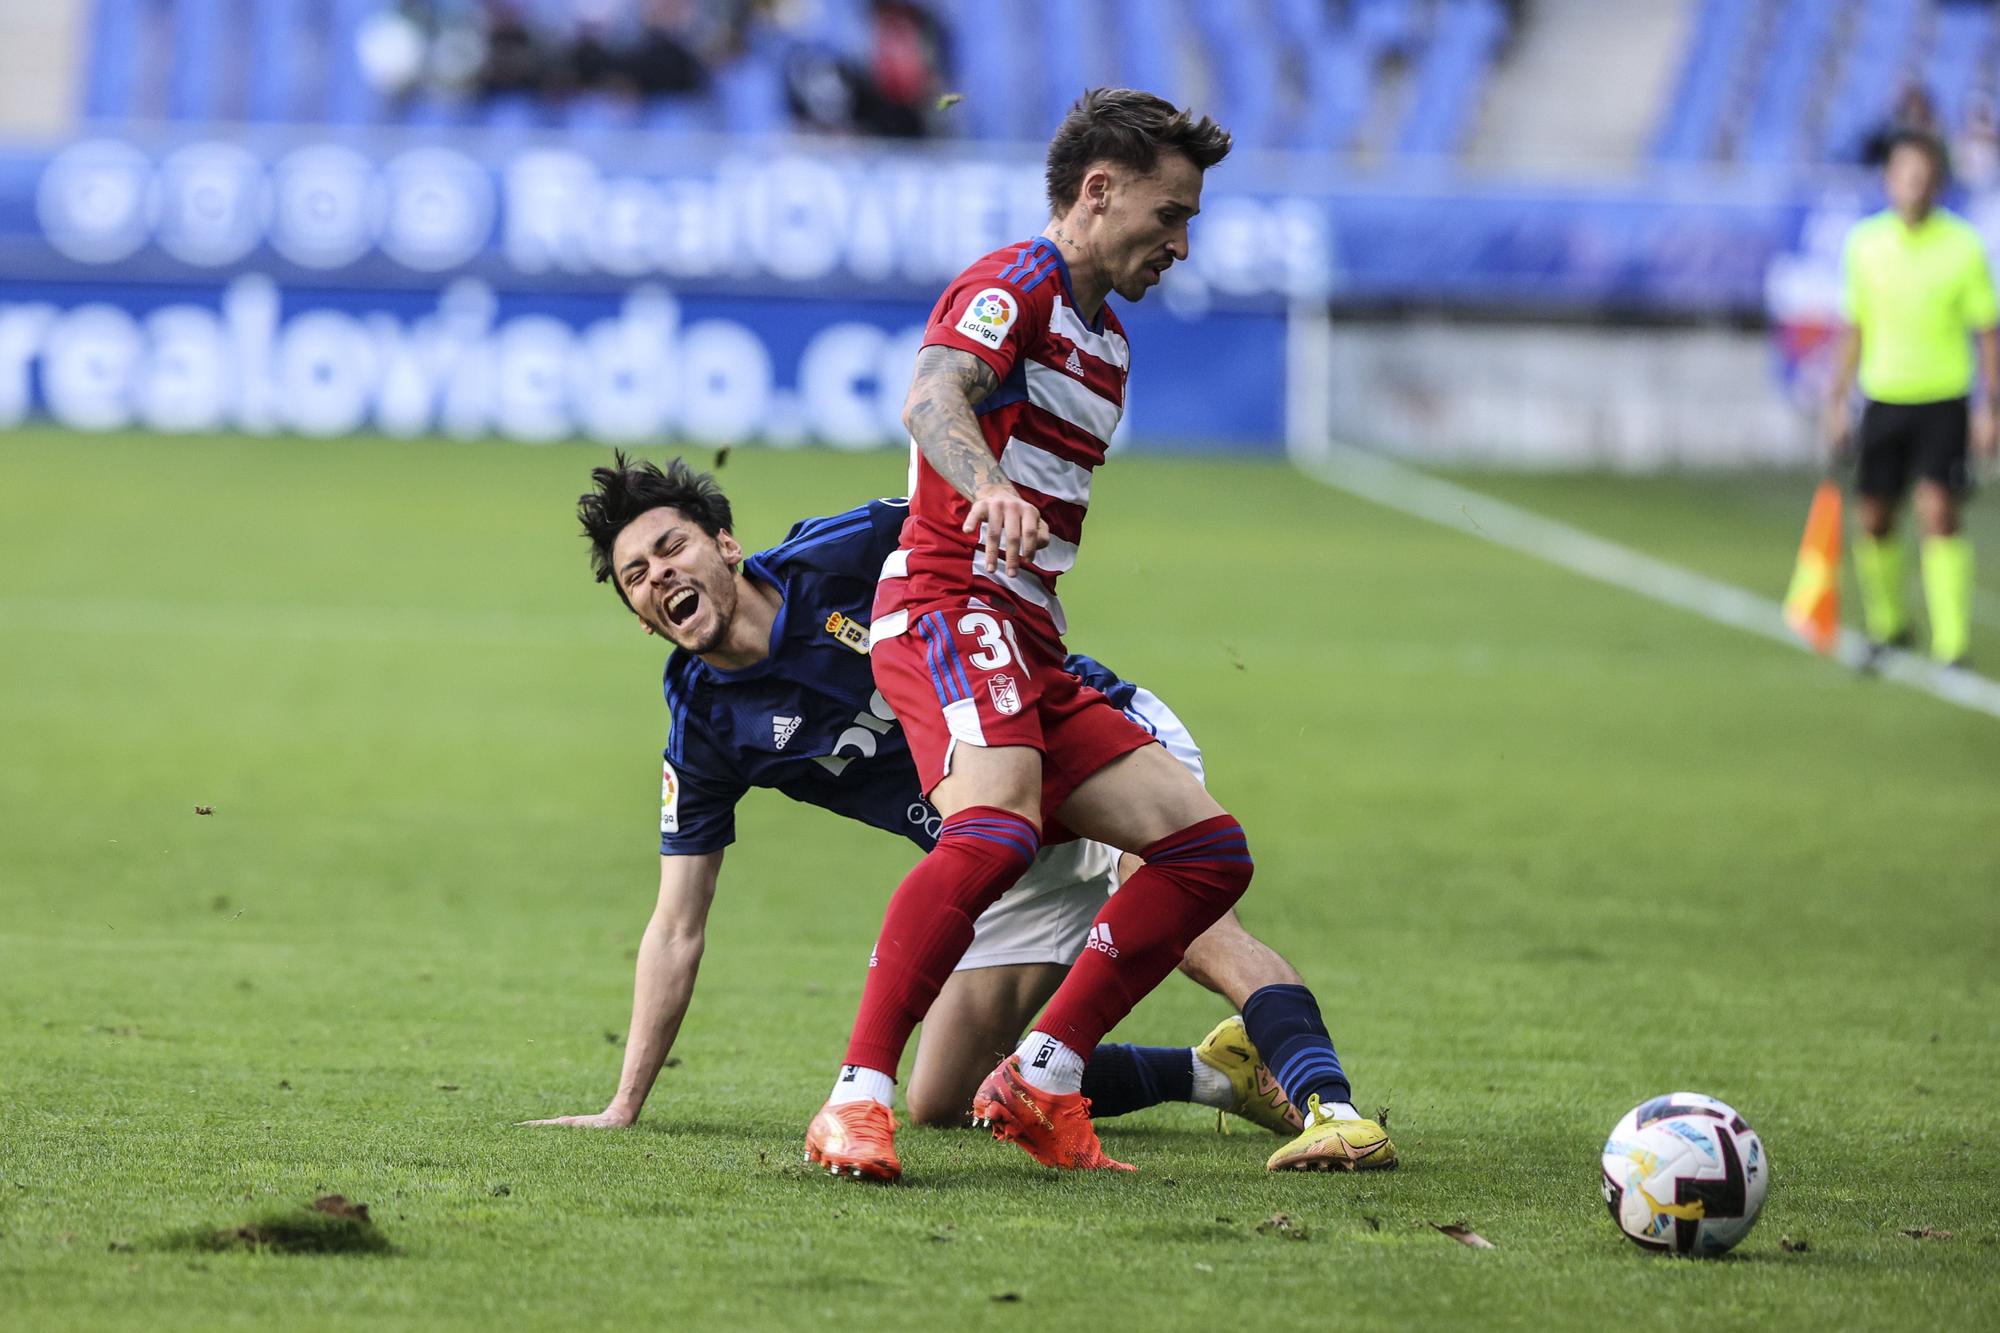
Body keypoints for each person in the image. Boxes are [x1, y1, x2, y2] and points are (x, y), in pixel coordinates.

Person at [805, 87, 1384, 1182]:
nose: (1180, 241)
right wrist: (983, 490)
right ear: (1097, 190)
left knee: (1206, 849)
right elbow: (932, 398)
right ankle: (853, 1099)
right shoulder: (1011, 282)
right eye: (1169, 213)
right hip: (947, 600)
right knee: (993, 833)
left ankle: (1045, 1075)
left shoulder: (1105, 341)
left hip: (1027, 638)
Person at [524, 455, 1395, 1180]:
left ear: (725, 543)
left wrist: (1003, 507)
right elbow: (676, 926)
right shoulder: (706, 728)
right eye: (637, 576)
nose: (660, 575)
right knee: (944, 1094)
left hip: (1084, 742)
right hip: (993, 838)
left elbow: (974, 516)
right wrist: (623, 1104)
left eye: (670, 546)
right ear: (641, 618)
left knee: (1202, 929)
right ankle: (1217, 1073)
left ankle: (1334, 1107)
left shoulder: (852, 549)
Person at [1824, 130, 1998, 669]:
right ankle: (1889, 623)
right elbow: (1854, 327)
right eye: (1905, 175)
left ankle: (1951, 643)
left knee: (1938, 510)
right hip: (1884, 397)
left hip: (1944, 398)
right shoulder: (1865, 245)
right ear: (1889, 180)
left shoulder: (1962, 246)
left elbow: (1986, 331)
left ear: (1937, 183)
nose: (1914, 186)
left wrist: (1990, 407)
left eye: (1923, 177)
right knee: (1875, 516)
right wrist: (1836, 400)